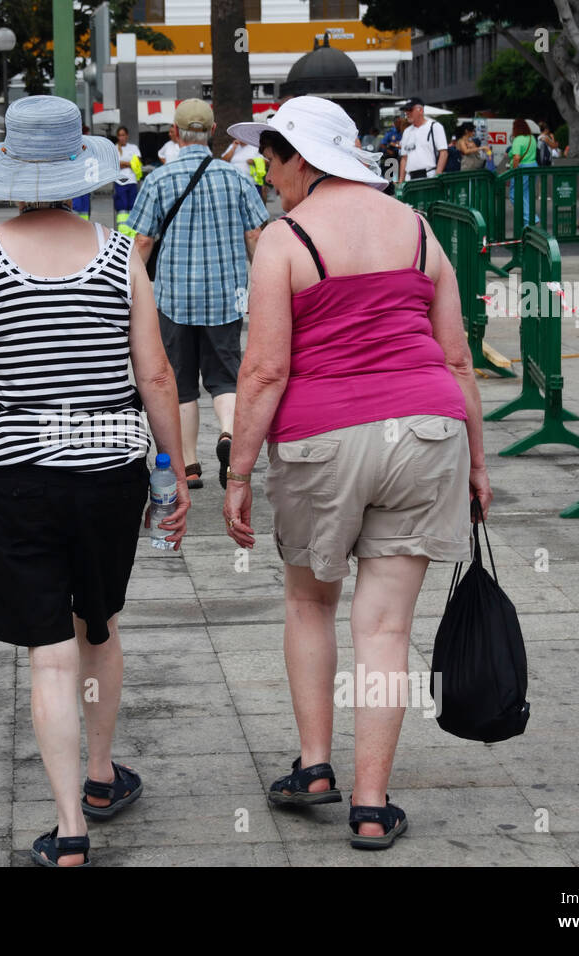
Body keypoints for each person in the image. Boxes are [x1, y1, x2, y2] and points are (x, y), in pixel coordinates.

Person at [222, 95, 490, 850]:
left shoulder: (285, 239)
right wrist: (475, 459)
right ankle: (371, 805)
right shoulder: (417, 228)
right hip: (428, 432)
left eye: (271, 158)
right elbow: (459, 356)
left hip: (323, 440)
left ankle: (313, 767)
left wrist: (239, 472)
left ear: (303, 157)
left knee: (310, 603)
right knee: (385, 626)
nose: (267, 174)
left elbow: (266, 370)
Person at [0, 95, 190, 867]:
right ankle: (101, 774)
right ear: (82, 172)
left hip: (19, 473)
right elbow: (153, 372)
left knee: (47, 649)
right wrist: (173, 474)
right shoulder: (120, 253)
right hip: (110, 470)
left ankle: (69, 832)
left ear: (12, 172)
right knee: (100, 623)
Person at [126, 99, 268, 491]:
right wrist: (267, 284)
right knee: (225, 377)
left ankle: (188, 465)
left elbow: (142, 241)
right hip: (226, 297)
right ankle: (226, 433)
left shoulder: (158, 179)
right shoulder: (237, 178)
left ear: (175, 132)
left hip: (173, 299)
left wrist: (127, 287)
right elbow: (255, 235)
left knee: (180, 380)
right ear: (213, 130)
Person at [397, 98, 448, 181]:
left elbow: (444, 152)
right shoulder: (407, 131)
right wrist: (400, 181)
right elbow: (404, 158)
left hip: (428, 175)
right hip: (409, 178)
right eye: (406, 110)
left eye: (410, 109)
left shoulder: (434, 126)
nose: (407, 113)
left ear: (420, 110)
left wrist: (437, 176)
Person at [508, 118, 538, 226]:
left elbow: (516, 157)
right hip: (533, 167)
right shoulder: (532, 138)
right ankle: (528, 223)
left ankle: (530, 218)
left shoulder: (518, 139)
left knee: (514, 194)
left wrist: (514, 172)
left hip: (522, 168)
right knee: (526, 195)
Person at [113, 125, 142, 236]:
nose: (122, 137)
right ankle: (123, 233)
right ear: (117, 136)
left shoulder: (133, 147)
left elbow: (137, 162)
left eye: (123, 135)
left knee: (132, 207)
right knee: (122, 208)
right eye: (120, 135)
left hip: (132, 181)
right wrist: (129, 163)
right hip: (120, 182)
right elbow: (116, 163)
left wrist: (124, 163)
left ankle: (133, 233)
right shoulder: (115, 148)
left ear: (127, 136)